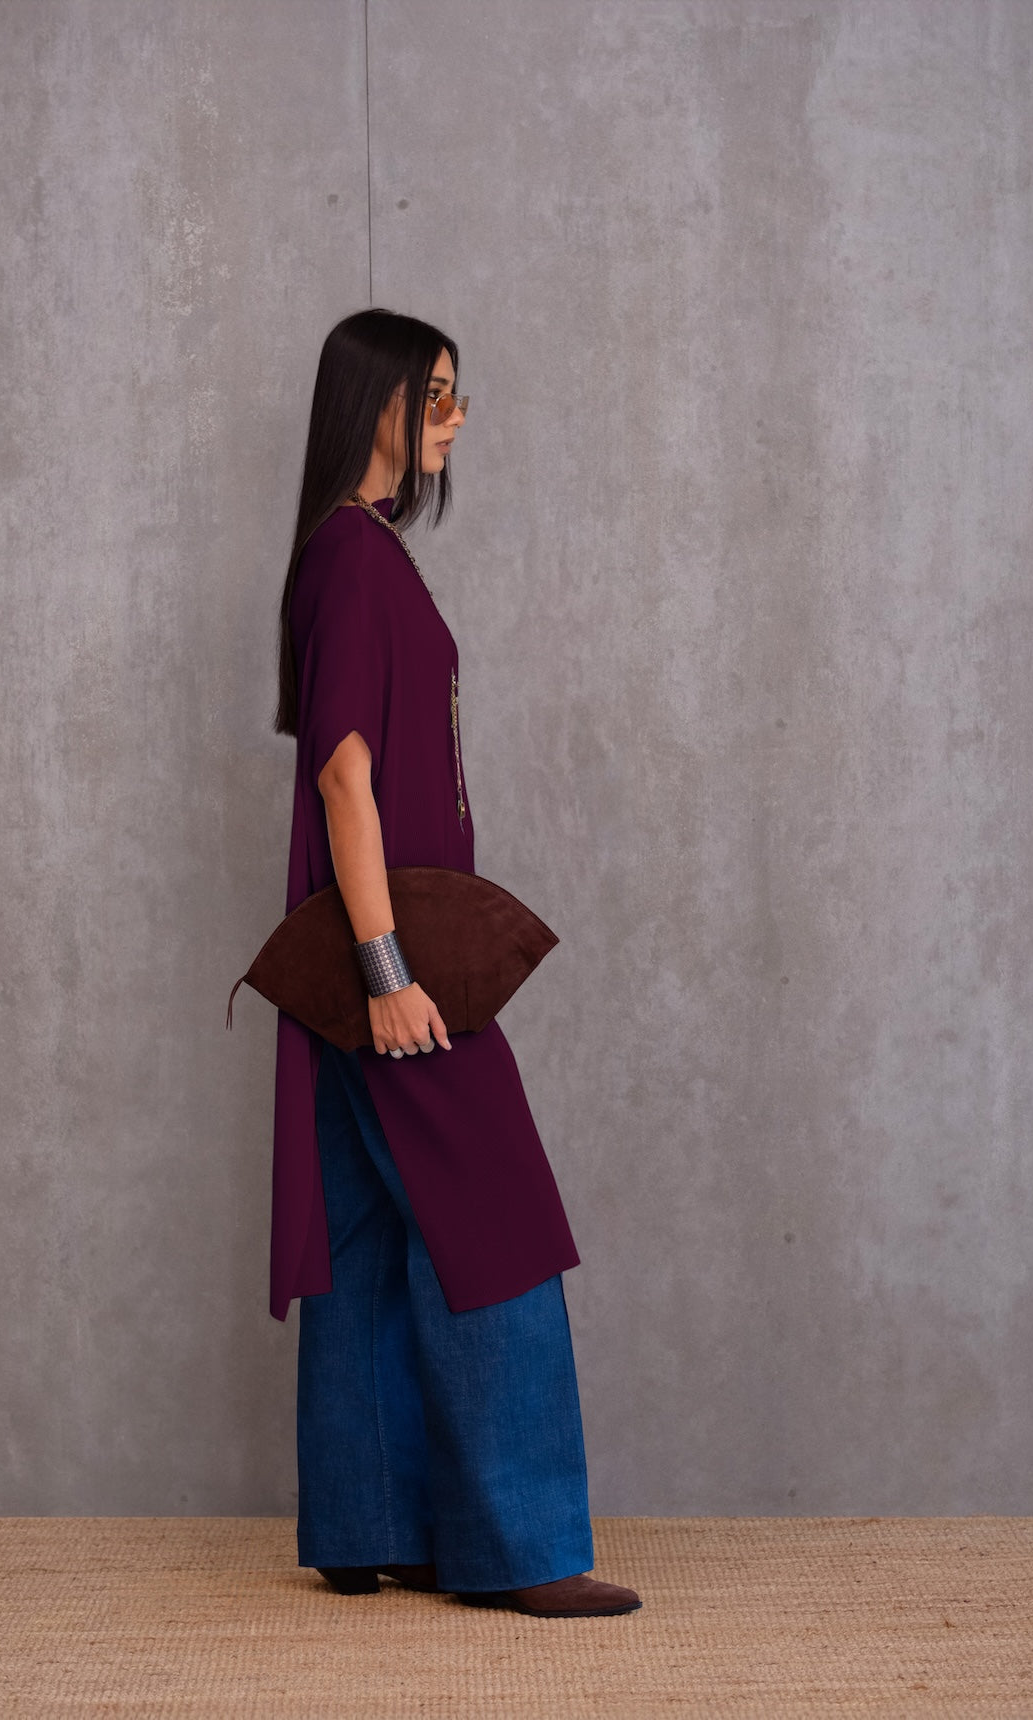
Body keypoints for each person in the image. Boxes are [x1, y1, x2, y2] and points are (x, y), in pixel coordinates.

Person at [270, 308, 640, 1618]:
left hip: (378, 945)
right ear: (372, 400)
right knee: (495, 1221)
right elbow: (344, 776)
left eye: (457, 396)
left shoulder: (347, 553)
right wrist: (387, 972)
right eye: (433, 395)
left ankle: (368, 1526)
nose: (454, 419)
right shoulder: (353, 560)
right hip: (395, 955)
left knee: (371, 1232)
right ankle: (522, 1549)